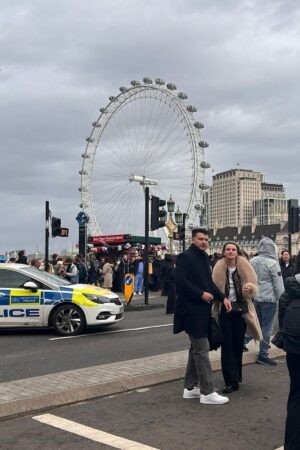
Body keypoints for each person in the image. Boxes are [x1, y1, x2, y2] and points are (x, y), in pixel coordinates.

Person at [174, 227, 232, 405]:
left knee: (196, 349)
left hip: (202, 310)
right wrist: (200, 294)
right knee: (202, 349)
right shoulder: (185, 257)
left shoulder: (204, 258)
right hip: (191, 310)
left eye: (206, 239)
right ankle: (207, 392)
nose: (204, 242)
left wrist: (223, 298)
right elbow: (180, 281)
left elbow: (209, 284)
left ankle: (190, 388)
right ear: (193, 240)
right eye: (200, 239)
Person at [212, 242, 260, 393]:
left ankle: (237, 376)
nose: (231, 252)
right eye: (228, 249)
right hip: (225, 309)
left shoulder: (244, 265)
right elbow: (213, 287)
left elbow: (254, 285)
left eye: (233, 249)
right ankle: (229, 381)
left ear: (237, 252)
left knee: (238, 345)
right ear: (224, 252)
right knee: (227, 345)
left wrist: (249, 288)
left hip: (241, 310)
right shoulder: (219, 267)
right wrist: (221, 298)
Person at [251, 237, 285, 366]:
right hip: (269, 299)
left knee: (254, 324)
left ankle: (241, 343)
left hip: (255, 297)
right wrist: (282, 300)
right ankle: (263, 354)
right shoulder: (273, 263)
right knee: (267, 327)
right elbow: (278, 284)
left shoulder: (252, 261)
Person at [278, 274, 300, 450]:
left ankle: (292, 444)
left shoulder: (293, 284)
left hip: (294, 344)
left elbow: (282, 308)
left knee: (296, 394)